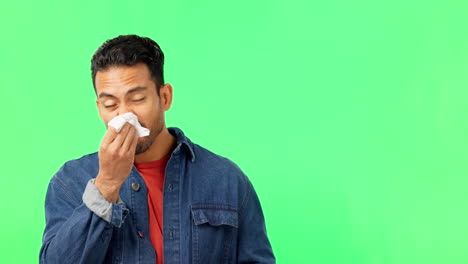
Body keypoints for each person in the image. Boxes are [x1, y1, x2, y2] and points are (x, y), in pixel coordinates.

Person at [39, 34, 275, 264]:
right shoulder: (69, 183)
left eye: (138, 99)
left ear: (165, 97)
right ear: (99, 107)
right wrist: (107, 185)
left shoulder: (227, 180)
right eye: (111, 104)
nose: (125, 116)